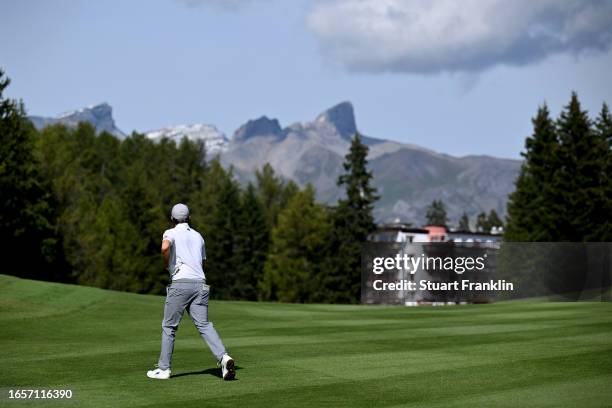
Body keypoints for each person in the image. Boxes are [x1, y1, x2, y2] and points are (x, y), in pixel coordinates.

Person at [147, 203, 235, 380]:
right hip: (200, 284)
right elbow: (200, 261)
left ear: (172, 218)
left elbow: (165, 248)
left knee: (169, 326)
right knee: (204, 325)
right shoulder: (198, 236)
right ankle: (224, 357)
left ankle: (164, 369)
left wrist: (166, 265)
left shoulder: (170, 233)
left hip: (180, 283)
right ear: (189, 217)